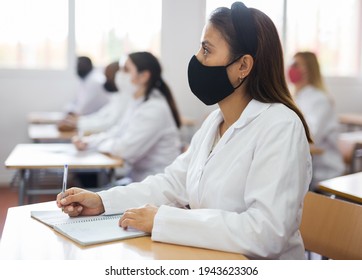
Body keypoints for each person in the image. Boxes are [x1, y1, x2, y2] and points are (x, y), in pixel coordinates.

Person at [57, 2, 312, 259]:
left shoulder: (280, 126)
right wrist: (103, 202)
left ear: (243, 66)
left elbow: (267, 232)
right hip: (213, 258)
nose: (197, 60)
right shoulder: (215, 121)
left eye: (206, 50)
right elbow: (173, 183)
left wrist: (164, 221)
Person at [71, 51, 182, 183]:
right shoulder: (137, 102)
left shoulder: (154, 109)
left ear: (144, 76)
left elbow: (125, 149)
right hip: (139, 178)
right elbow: (117, 132)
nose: (119, 74)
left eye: (125, 70)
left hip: (156, 183)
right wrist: (88, 142)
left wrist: (96, 144)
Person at [287, 51, 345, 189]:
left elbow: (311, 137)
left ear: (308, 69)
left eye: (296, 64)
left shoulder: (320, 99)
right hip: (307, 170)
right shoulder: (298, 97)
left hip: (324, 172)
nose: (291, 68)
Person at [58, 61, 130, 134]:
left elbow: (109, 123)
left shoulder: (94, 82)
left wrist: (77, 123)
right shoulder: (118, 96)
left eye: (108, 77)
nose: (106, 81)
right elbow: (101, 114)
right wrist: (78, 121)